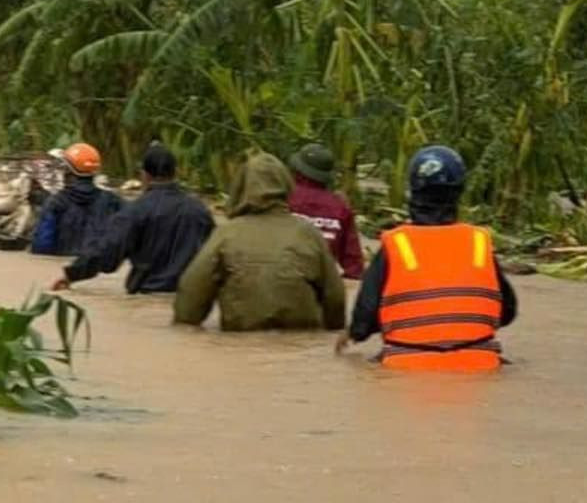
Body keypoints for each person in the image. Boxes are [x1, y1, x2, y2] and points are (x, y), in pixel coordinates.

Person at [336, 145, 518, 371]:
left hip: (405, 365)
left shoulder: (396, 245)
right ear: (459, 191)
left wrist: (354, 334)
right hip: (480, 363)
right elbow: (508, 311)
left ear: (413, 190)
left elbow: (365, 315)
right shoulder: (479, 242)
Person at [174, 152, 346, 332]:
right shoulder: (309, 234)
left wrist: (186, 324)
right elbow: (335, 299)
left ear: (241, 188)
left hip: (240, 342)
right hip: (301, 341)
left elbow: (190, 297)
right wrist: (332, 332)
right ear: (286, 186)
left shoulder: (226, 234)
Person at [52, 145, 214, 293]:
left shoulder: (135, 211)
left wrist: (71, 274)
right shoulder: (199, 210)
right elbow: (215, 256)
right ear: (176, 172)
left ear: (144, 175)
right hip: (189, 298)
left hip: (146, 295)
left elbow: (106, 252)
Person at [31, 142, 123, 256]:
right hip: (98, 266)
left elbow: (42, 246)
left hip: (66, 269)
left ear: (67, 170)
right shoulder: (113, 201)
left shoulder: (55, 203)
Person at [287, 143, 364, 279]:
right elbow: (354, 264)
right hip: (320, 284)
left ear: (298, 170)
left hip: (281, 277)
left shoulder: (284, 198)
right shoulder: (340, 207)